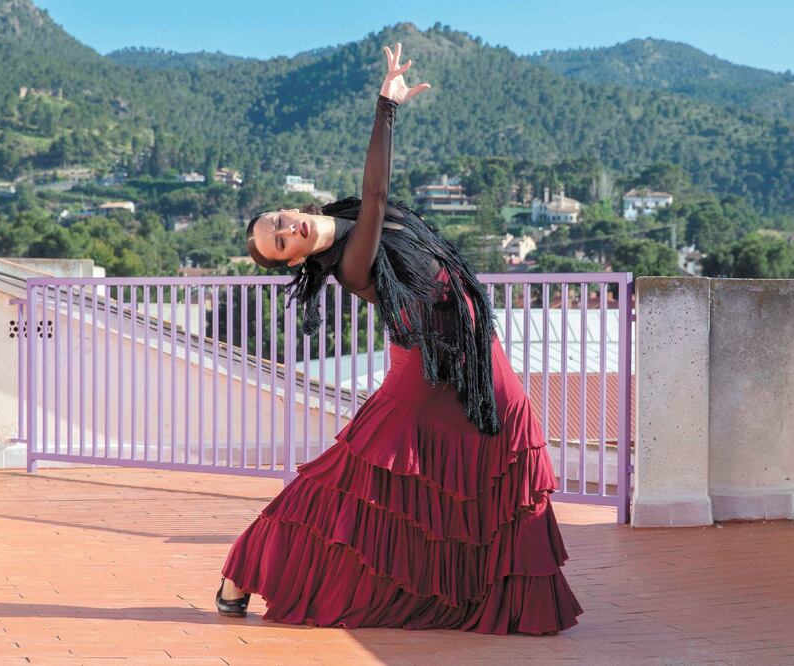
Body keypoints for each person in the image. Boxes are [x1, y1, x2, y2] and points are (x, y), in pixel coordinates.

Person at [216, 42, 583, 635]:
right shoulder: (351, 263)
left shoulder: (349, 212)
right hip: (423, 377)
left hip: (472, 358)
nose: (287, 230)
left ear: (292, 208)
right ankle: (245, 569)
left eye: (279, 222)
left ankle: (498, 601)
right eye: (279, 242)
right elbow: (382, 193)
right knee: (348, 482)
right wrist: (385, 110)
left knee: (508, 459)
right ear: (292, 261)